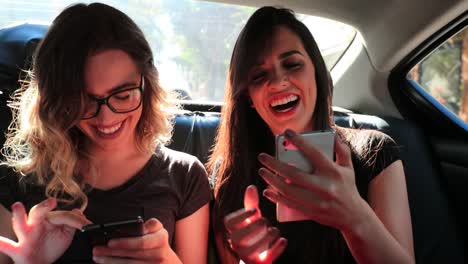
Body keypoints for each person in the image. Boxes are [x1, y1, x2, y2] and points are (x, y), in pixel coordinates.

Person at [0, 3, 211, 264]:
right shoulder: (16, 181)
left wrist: (169, 261)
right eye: (84, 101)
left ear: (148, 86)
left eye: (122, 96)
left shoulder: (183, 174)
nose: (106, 117)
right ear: (57, 101)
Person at [207, 6, 415, 264]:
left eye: (292, 64)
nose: (278, 82)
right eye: (259, 75)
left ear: (318, 74)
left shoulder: (375, 152)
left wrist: (355, 217)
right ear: (248, 96)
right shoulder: (231, 175)